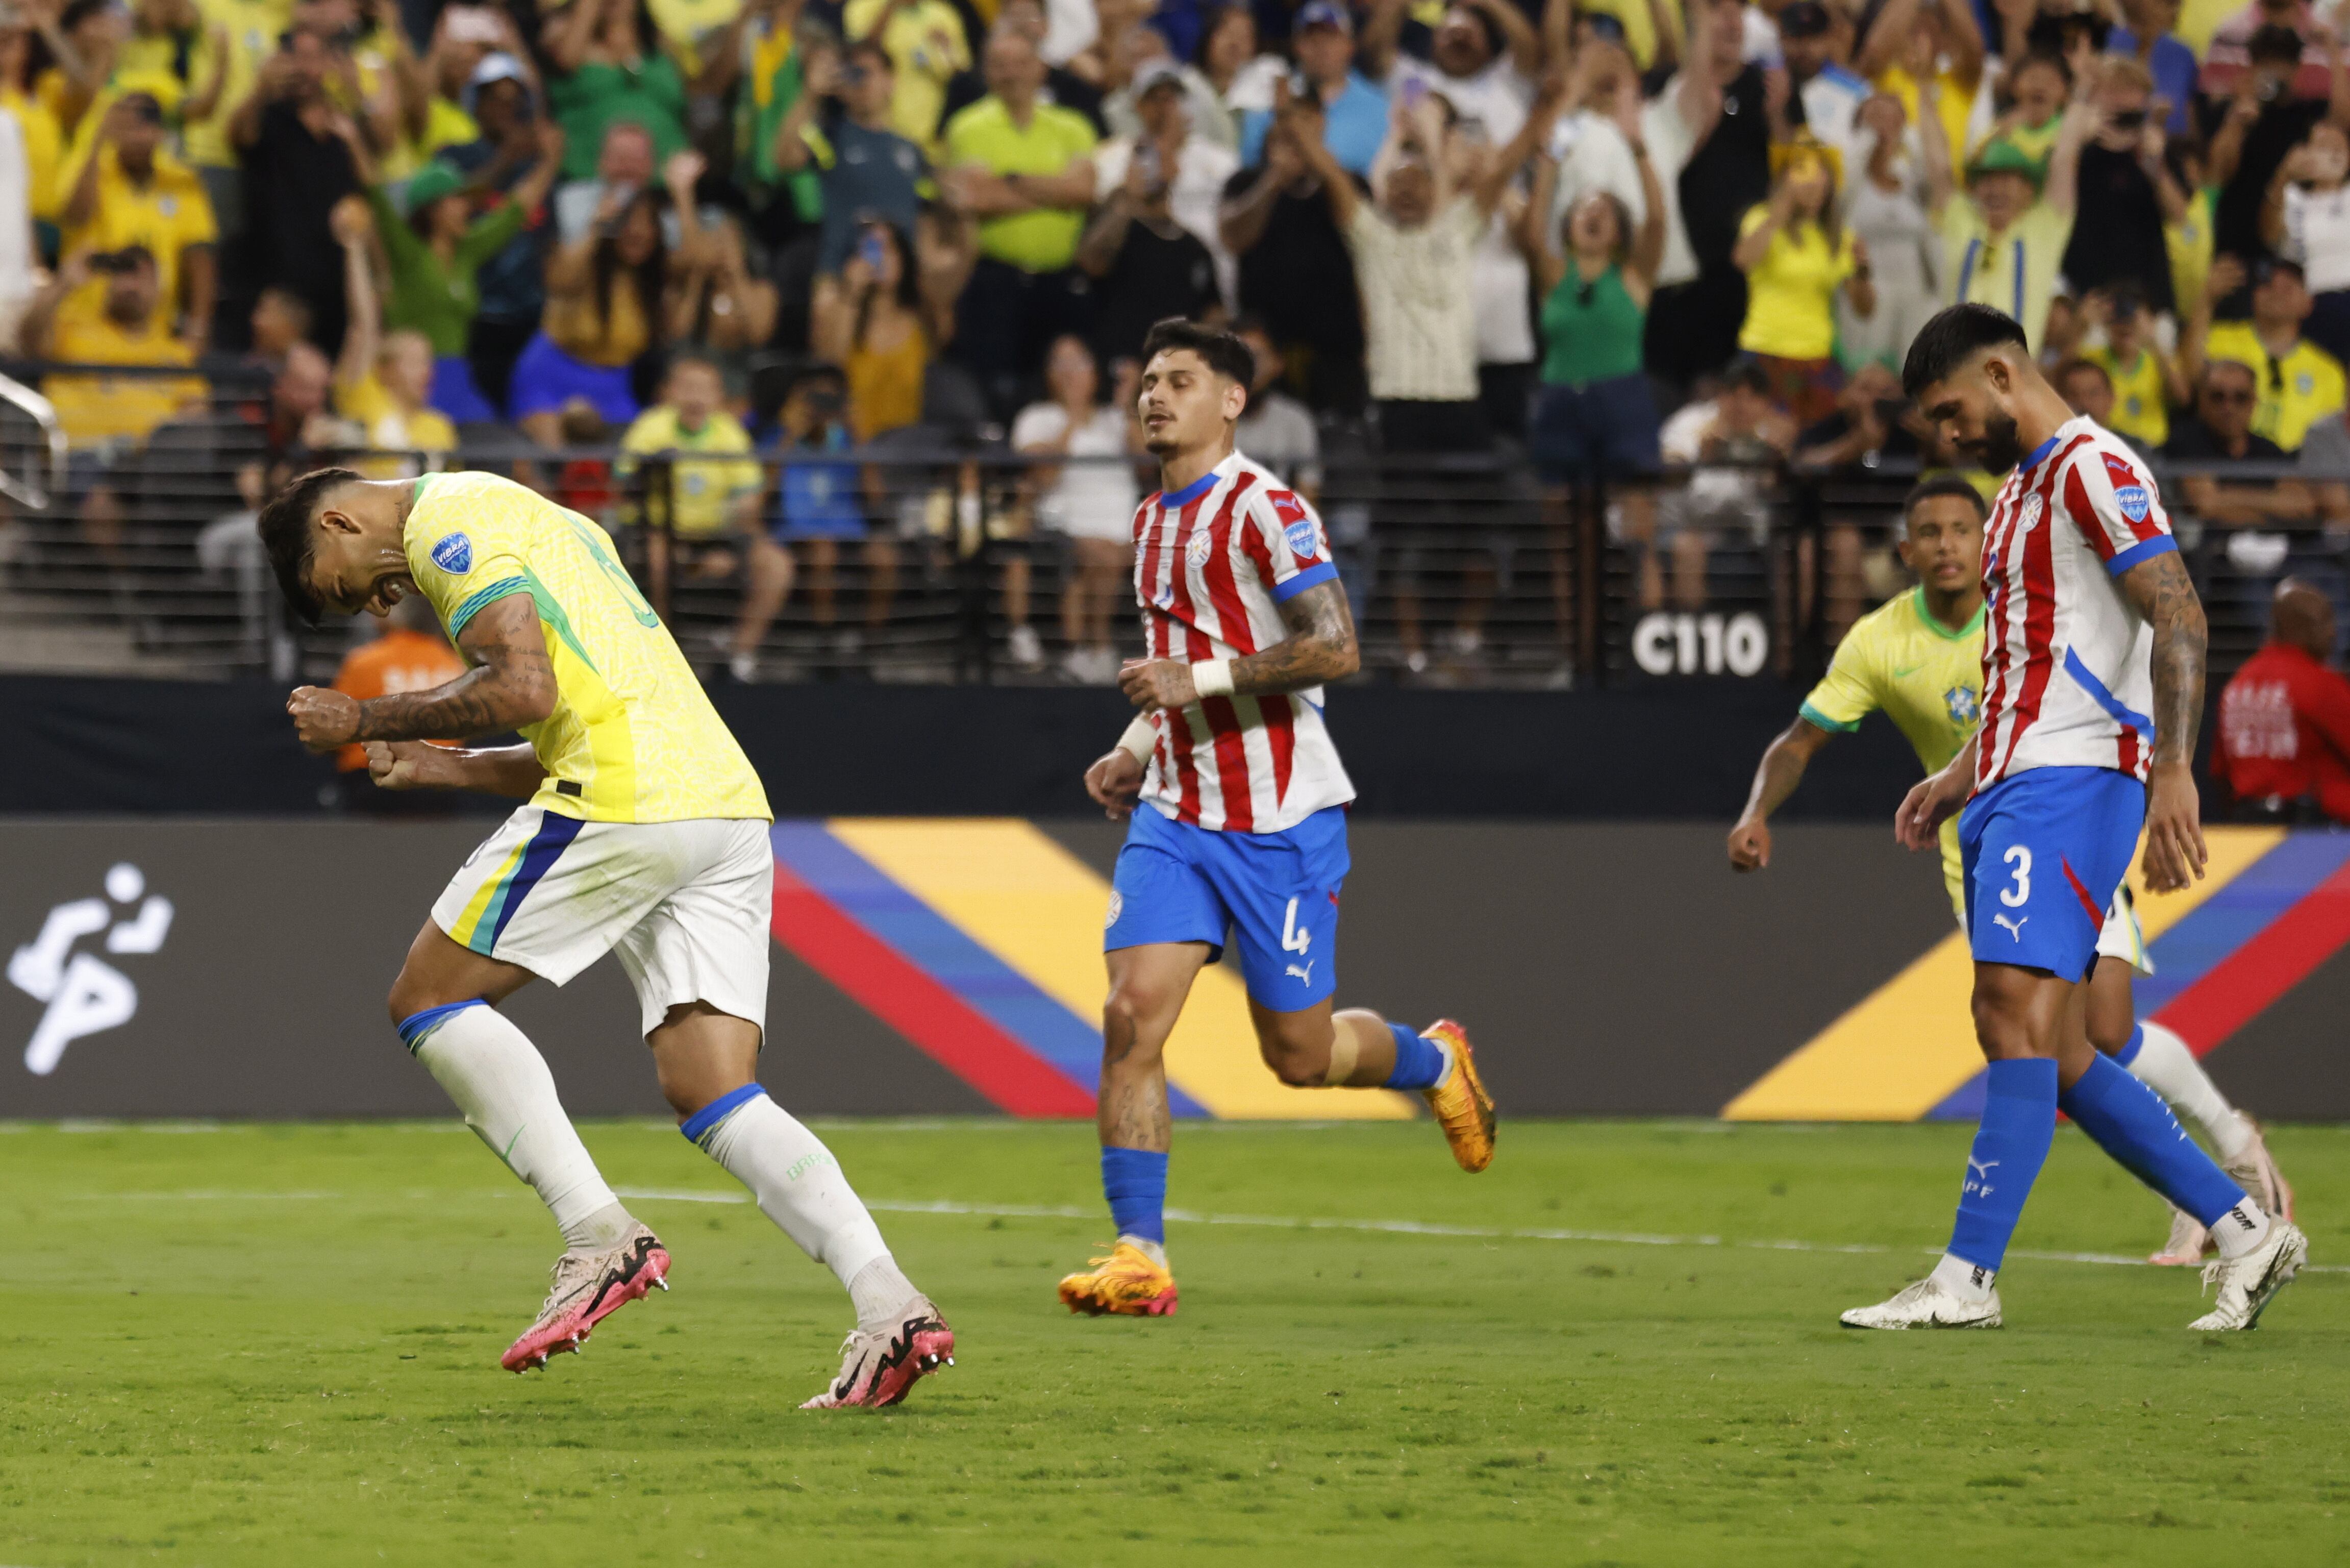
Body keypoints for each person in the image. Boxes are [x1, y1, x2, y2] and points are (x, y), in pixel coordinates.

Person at [256, 465, 955, 1407]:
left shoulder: (446, 531)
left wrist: (364, 716)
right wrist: (449, 771)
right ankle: (892, 1306)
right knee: (712, 1087)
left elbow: (525, 686)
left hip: (627, 799)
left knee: (428, 996)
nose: (384, 607)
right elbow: (577, 706)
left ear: (339, 520)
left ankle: (599, 1235)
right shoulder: (525, 512)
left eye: (354, 585)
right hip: (723, 805)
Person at [1844, 303, 2307, 1332]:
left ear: (2003, 376)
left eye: (1951, 410)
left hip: (2074, 780)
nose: (1946, 437)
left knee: (2007, 1008)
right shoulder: (2016, 495)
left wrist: (2176, 770)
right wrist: (1958, 771)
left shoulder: (2090, 467)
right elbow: (2032, 668)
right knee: (2050, 1049)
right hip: (2016, 779)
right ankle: (2243, 1230)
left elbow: (2176, 608)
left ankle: (1964, 1281)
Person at [1730, 474, 2294, 1265]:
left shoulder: (2027, 610)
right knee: (2067, 1053)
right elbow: (1798, 740)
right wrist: (1756, 812)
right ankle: (2220, 1206)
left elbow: (2132, 657)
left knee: (2099, 1032)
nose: (1947, 544)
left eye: (1961, 528)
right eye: (1929, 532)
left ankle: (2228, 1158)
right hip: (1981, 863)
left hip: (2068, 830)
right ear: (1906, 551)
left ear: (1983, 537)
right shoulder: (1879, 642)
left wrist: (2156, 784)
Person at [1058, 317, 1493, 1318]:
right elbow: (1174, 663)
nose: (1154, 397)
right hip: (1176, 810)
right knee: (1130, 1016)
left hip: (1278, 821)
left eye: (1179, 380)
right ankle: (1139, 1254)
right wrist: (1130, 749)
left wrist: (1191, 680)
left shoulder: (1267, 509)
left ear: (1231, 401)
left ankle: (1432, 1059)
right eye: (1147, 381)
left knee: (1297, 1056)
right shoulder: (1150, 522)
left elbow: (1335, 647)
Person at [1525, 114, 1667, 656]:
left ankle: (1648, 651)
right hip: (1561, 405)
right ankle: (1577, 651)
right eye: (1585, 207)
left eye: (1604, 210)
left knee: (1638, 534)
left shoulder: (1632, 275)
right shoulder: (1553, 275)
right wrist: (1551, 162)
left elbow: (1658, 219)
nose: (1593, 213)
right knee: (1569, 541)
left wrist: (1638, 150)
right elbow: (1533, 226)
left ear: (1618, 229)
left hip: (1622, 404)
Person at [341, 120, 564, 425]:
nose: (467, 207)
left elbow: (515, 211)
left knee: (501, 451)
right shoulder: (407, 252)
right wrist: (354, 138)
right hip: (415, 381)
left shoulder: (467, 252)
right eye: (457, 200)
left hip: (460, 380)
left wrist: (550, 162)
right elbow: (376, 192)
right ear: (432, 209)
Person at [937, 26, 1098, 417]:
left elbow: (1084, 192)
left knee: (1062, 388)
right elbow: (976, 197)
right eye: (1000, 64)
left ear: (1041, 68)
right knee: (996, 391)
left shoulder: (1073, 125)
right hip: (995, 282)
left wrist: (1009, 180)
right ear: (986, 72)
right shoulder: (967, 125)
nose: (1012, 73)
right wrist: (1054, 190)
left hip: (1062, 280)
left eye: (1021, 63)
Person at [511, 152, 703, 444]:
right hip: (552, 380)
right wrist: (597, 225)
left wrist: (683, 195)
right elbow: (559, 280)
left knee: (623, 469)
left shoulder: (651, 281)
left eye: (648, 224)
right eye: (629, 223)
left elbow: (694, 259)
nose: (639, 231)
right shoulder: (587, 263)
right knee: (558, 468)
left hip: (613, 388)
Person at [729, 364, 902, 679]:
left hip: (848, 530)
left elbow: (877, 497)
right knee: (823, 551)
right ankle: (827, 642)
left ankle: (871, 644)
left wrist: (859, 434)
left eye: (830, 398)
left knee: (885, 558)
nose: (822, 405)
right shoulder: (777, 438)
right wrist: (789, 435)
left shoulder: (850, 442)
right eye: (814, 397)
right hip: (798, 532)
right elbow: (761, 497)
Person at [1916, 57, 2090, 354]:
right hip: (1957, 373)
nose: (1995, 188)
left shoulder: (2043, 227)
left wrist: (2081, 92)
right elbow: (1938, 161)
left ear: (2029, 191)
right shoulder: (1961, 219)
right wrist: (1923, 86)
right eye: (1987, 179)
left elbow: (2063, 161)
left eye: (2008, 179)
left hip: (2012, 380)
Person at [1015, 334, 1143, 684]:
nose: (1071, 373)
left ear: (1096, 374)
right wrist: (1071, 418)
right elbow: (1042, 475)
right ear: (1048, 374)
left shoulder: (1115, 420)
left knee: (1113, 551)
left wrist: (1129, 405)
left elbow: (1147, 465)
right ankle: (1097, 649)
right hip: (1066, 524)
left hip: (1121, 528)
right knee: (1102, 554)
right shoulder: (1037, 418)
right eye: (1062, 364)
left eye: (1080, 363)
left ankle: (1089, 653)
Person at [1734, 134, 1876, 424]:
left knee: (1814, 444)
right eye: (1802, 170)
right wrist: (1778, 215)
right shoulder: (1761, 218)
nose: (1813, 182)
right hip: (1765, 351)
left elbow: (1864, 310)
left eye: (1821, 171)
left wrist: (1862, 271)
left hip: (1817, 357)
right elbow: (1743, 260)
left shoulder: (1839, 236)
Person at [59, 91, 216, 350]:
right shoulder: (90, 168)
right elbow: (76, 217)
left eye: (144, 126)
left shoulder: (182, 181)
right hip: (85, 328)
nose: (136, 136)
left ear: (160, 132)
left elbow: (200, 258)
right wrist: (98, 141)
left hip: (154, 333)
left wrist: (197, 329)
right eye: (127, 127)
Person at [1076, 112, 1222, 366]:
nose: (1151, 165)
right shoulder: (1118, 226)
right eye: (1143, 156)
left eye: (1160, 155)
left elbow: (1214, 312)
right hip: (1121, 368)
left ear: (1176, 167)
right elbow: (1090, 262)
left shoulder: (1194, 247)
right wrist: (1128, 200)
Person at [615, 353, 766, 595]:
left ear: (719, 396)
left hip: (717, 536)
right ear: (668, 392)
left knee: (772, 565)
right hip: (658, 533)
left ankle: (741, 636)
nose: (696, 397)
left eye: (705, 389)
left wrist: (736, 539)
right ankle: (662, 632)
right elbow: (624, 485)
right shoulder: (650, 426)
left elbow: (749, 495)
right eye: (687, 387)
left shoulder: (730, 431)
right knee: (658, 558)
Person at [2211, 576, 2350, 823]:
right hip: (2316, 832)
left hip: (2245, 826)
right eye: (2324, 621)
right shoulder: (2319, 683)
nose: (2332, 633)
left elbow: (2220, 771)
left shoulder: (2239, 683)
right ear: (2295, 626)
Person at [2187, 255, 2347, 453]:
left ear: (2308, 304)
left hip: (2301, 474)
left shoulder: (2329, 371)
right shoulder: (2220, 338)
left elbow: (2333, 438)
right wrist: (2206, 299)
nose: (2276, 292)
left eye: (2288, 287)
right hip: (2227, 459)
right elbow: (2190, 380)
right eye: (2268, 284)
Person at [328, 594, 466, 812]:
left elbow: (333, 732)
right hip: (440, 785)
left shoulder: (363, 663)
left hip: (371, 782)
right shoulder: (454, 665)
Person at [1841, 91, 1942, 372]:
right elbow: (1842, 197)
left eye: (1893, 118)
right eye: (1875, 118)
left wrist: (1907, 136)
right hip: (1869, 290)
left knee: (1914, 371)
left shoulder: (1911, 183)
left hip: (1914, 290)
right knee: (1868, 369)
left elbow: (1935, 182)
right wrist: (1868, 140)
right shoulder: (1850, 185)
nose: (1884, 126)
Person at [1235, 2, 1386, 177]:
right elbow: (1249, 167)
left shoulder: (1379, 108)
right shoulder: (1267, 97)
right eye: (1311, 39)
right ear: (1296, 45)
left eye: (1331, 38)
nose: (1321, 48)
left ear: (1350, 46)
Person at [2263, 120, 2350, 368]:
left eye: (2339, 147)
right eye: (2323, 146)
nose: (2333, 154)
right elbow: (2269, 235)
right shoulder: (2290, 197)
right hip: (2308, 307)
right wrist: (2284, 174)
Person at [2079, 283, 2187, 450]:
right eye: (2117, 315)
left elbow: (2183, 398)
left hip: (2152, 452)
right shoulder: (2092, 359)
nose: (2125, 323)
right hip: (2106, 447)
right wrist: (2080, 326)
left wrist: (2152, 340)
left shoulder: (2157, 361)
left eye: (2131, 316)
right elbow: (2056, 381)